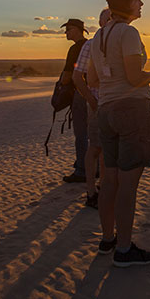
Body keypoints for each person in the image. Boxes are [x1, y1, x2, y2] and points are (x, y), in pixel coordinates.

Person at [88, 0, 150, 267]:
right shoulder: (128, 33)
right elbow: (134, 79)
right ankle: (123, 249)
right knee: (128, 185)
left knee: (109, 180)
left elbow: (92, 79)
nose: (141, 4)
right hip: (132, 110)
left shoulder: (98, 36)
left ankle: (107, 239)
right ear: (126, 4)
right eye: (137, 0)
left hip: (106, 110)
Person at [73, 8, 112, 208]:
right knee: (95, 147)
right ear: (100, 22)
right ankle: (91, 191)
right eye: (108, 18)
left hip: (115, 104)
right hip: (98, 104)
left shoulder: (120, 42)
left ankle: (104, 189)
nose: (112, 21)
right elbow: (77, 76)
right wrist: (91, 101)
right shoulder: (90, 44)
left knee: (109, 151)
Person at [60, 17, 89, 183]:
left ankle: (82, 170)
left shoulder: (75, 49)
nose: (66, 32)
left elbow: (67, 76)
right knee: (92, 132)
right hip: (93, 92)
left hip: (79, 93)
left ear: (78, 29)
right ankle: (94, 166)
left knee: (81, 133)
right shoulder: (92, 45)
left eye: (69, 29)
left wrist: (62, 84)